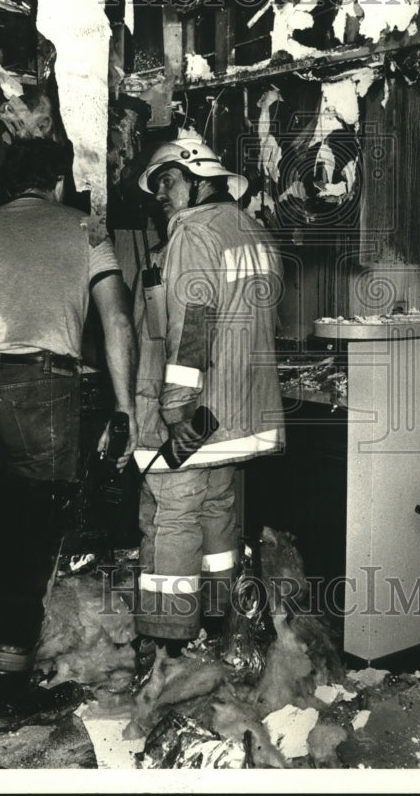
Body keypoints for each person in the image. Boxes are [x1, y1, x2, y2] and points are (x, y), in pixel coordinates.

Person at [0, 131, 137, 727]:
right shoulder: (85, 229)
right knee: (27, 534)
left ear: (7, 183)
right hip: (41, 388)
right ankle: (7, 690)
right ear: (59, 182)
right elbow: (117, 317)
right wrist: (124, 407)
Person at [132, 138, 285, 659]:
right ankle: (221, 624)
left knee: (172, 513)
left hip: (196, 412)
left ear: (198, 177)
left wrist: (175, 408)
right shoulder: (253, 231)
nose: (161, 197)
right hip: (238, 411)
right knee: (218, 505)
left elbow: (192, 325)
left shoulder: (194, 233)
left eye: (167, 182)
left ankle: (168, 643)